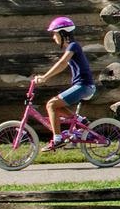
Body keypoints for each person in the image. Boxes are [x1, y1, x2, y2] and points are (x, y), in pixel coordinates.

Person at [34, 17, 96, 151]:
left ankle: (58, 139)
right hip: (82, 85)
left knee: (51, 104)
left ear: (63, 33)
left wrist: (44, 77)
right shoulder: (71, 47)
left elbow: (61, 64)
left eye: (55, 34)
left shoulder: (73, 46)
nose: (53, 37)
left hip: (84, 86)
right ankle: (80, 120)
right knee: (56, 106)